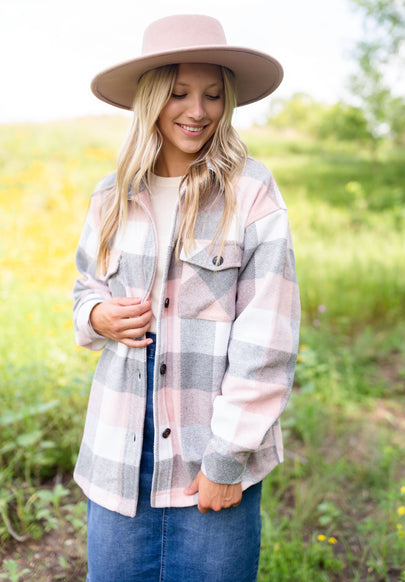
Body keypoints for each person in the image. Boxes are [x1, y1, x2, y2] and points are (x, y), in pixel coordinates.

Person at [72, 13, 300, 582]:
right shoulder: (112, 196)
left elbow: (268, 336)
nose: (197, 110)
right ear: (151, 98)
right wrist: (98, 316)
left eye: (213, 95)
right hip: (118, 455)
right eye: (178, 93)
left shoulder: (252, 191)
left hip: (211, 454)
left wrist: (227, 458)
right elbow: (83, 292)